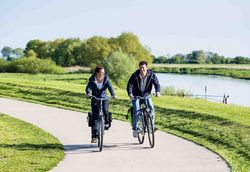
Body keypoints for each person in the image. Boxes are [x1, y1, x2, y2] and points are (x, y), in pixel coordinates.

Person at [127, 61, 160, 138]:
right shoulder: (135, 75)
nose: (142, 69)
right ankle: (135, 129)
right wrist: (130, 94)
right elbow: (130, 85)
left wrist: (157, 91)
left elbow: (157, 84)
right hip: (136, 96)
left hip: (146, 95)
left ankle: (150, 126)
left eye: (143, 68)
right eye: (140, 68)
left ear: (146, 68)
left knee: (151, 108)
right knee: (137, 110)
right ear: (139, 68)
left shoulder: (151, 75)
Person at [86, 65, 116, 143]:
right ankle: (94, 136)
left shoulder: (106, 79)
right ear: (97, 73)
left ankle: (106, 123)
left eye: (103, 72)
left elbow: (110, 87)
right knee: (95, 116)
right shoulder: (92, 79)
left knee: (105, 110)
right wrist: (88, 93)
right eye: (101, 72)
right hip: (95, 98)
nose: (103, 74)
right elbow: (88, 87)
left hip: (104, 98)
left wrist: (113, 94)